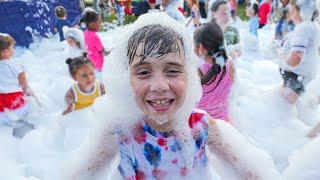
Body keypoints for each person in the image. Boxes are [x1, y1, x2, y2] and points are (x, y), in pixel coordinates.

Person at [65, 12, 277, 180]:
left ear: (190, 75)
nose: (159, 85)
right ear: (127, 80)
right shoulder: (120, 130)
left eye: (173, 70)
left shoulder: (202, 126)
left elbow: (249, 173)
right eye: (143, 72)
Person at [274, 0, 319, 104]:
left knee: (284, 113)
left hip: (295, 80)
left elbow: (295, 60)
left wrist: (280, 52)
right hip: (299, 79)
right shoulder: (312, 26)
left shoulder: (304, 28)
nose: (289, 11)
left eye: (292, 9)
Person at [194, 21, 235, 122]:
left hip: (202, 125)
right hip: (225, 123)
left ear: (201, 48)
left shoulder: (197, 70)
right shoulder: (229, 64)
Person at [0, 34, 35, 138]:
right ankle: (27, 134)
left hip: (1, 106)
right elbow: (25, 86)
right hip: (15, 101)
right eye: (12, 48)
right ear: (5, 51)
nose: (13, 50)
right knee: (25, 114)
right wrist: (34, 98)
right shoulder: (17, 65)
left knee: (6, 122)